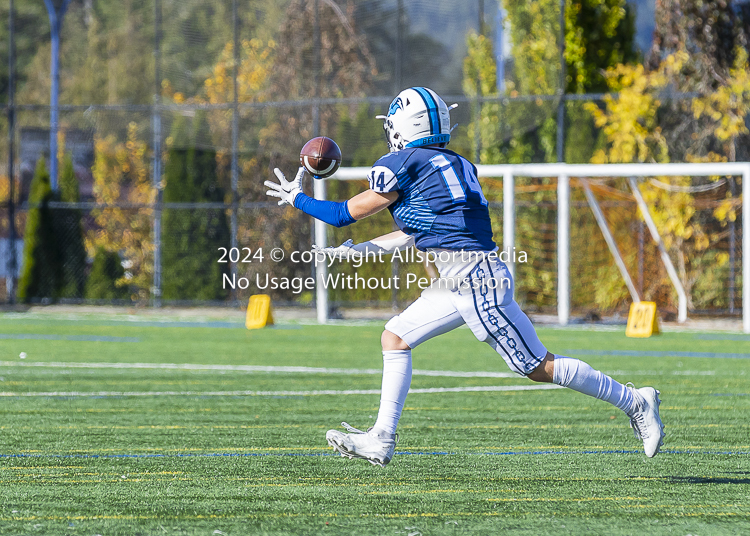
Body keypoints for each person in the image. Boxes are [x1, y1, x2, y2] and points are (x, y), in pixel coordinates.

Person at [265, 86, 665, 468]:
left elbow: (340, 214)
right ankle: (382, 438)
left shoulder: (400, 164)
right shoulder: (456, 164)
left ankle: (634, 401)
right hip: (462, 278)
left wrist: (296, 199)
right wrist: (363, 250)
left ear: (405, 127)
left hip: (474, 281)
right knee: (396, 336)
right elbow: (419, 229)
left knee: (536, 366)